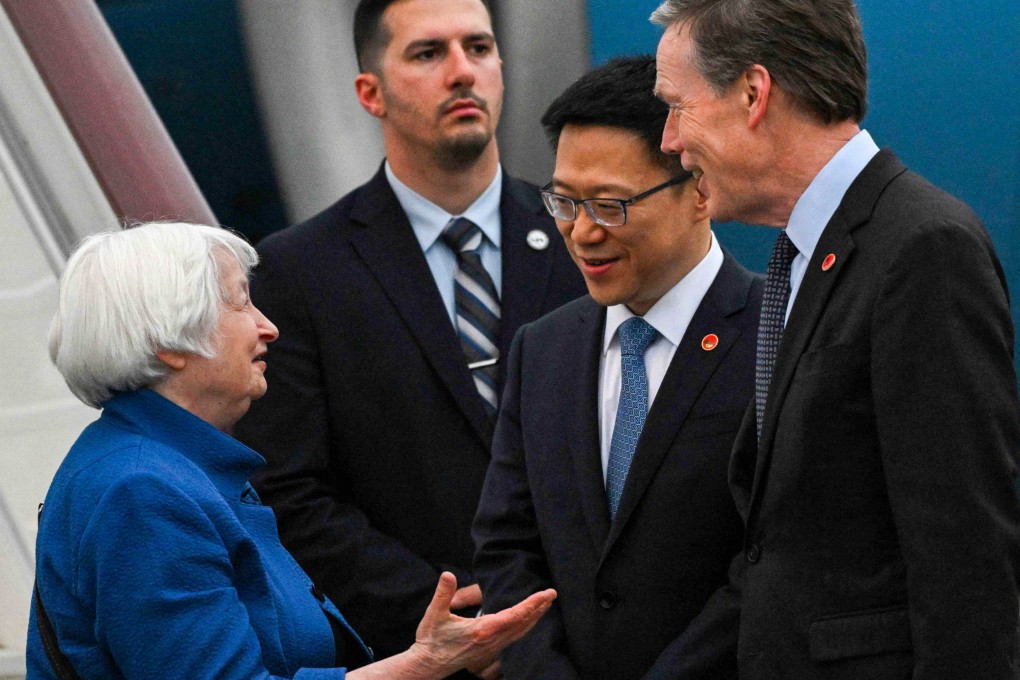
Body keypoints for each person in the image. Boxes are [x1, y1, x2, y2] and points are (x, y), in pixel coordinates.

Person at [652, 1, 1020, 677]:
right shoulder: (801, 259)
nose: (670, 140)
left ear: (754, 93)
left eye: (677, 106)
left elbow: (966, 561)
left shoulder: (922, 249)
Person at [28, 222, 556, 680]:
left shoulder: (162, 469)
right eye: (240, 301)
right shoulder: (142, 492)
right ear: (169, 341)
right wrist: (425, 663)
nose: (268, 327)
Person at [232, 0, 585, 664]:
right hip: (419, 650)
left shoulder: (584, 242)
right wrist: (443, 623)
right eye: (428, 53)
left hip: (589, 640)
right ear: (370, 93)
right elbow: (288, 491)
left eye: (478, 48)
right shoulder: (299, 272)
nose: (462, 71)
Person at [471, 56, 761, 680]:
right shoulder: (541, 350)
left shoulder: (778, 335)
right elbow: (507, 544)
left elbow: (775, 556)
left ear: (700, 189)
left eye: (608, 205)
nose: (581, 233)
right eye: (564, 202)